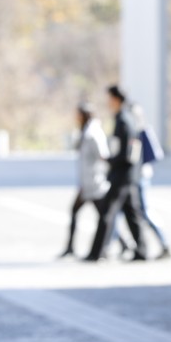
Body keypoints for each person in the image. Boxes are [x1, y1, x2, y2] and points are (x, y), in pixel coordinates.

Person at [84, 86, 149, 262]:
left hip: (123, 174)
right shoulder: (125, 118)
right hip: (128, 174)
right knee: (131, 213)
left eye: (109, 98)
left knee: (107, 212)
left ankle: (96, 252)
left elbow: (128, 151)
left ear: (116, 99)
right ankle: (142, 251)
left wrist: (111, 160)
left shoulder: (124, 120)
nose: (107, 102)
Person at [59, 103, 110, 258]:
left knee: (105, 216)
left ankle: (124, 243)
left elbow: (103, 156)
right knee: (79, 212)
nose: (76, 118)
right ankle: (70, 247)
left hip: (94, 182)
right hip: (86, 183)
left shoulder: (93, 133)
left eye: (78, 115)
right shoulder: (84, 132)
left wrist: (103, 175)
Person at [130, 102, 171, 259]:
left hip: (139, 176)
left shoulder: (138, 132)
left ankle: (164, 242)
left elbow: (136, 157)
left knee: (144, 211)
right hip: (141, 175)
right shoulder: (141, 129)